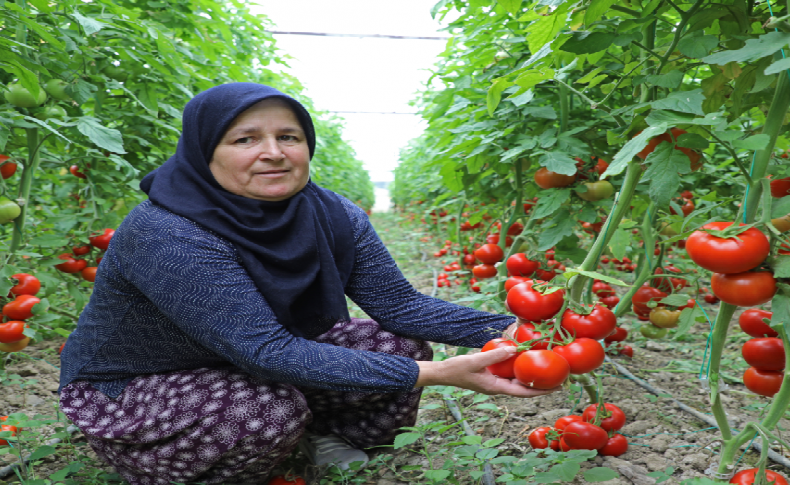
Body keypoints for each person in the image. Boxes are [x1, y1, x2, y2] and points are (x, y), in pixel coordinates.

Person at [58, 83, 559, 485]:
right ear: (204, 151)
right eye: (245, 139)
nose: (273, 153)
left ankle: (317, 436)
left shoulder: (332, 214)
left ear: (307, 146)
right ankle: (165, 458)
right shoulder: (168, 230)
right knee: (257, 412)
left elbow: (400, 306)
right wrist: (440, 373)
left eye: (289, 137)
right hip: (141, 381)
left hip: (255, 357)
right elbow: (264, 351)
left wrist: (528, 330)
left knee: (396, 345)